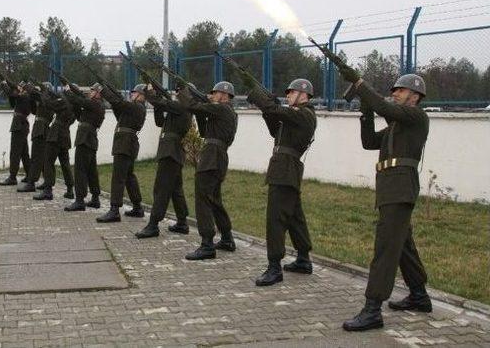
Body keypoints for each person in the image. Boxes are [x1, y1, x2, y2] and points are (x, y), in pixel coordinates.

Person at [333, 68, 431, 332]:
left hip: (400, 187)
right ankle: (419, 295)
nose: (395, 93)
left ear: (415, 95)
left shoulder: (416, 116)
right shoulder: (396, 126)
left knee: (385, 248)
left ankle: (372, 308)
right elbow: (368, 142)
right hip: (390, 187)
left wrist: (360, 83)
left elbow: (383, 106)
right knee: (402, 243)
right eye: (395, 90)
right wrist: (365, 110)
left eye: (400, 90)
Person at [244, 79, 317, 286]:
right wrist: (268, 109)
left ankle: (274, 266)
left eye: (291, 92)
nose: (287, 96)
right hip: (284, 167)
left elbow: (276, 110)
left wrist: (257, 93)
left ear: (303, 94)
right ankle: (304, 259)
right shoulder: (294, 116)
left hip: (286, 168)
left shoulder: (305, 114)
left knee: (275, 218)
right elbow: (275, 129)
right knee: (294, 216)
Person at [177, 81, 237, 260]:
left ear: (225, 95)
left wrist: (184, 91)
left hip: (212, 156)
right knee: (214, 200)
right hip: (216, 156)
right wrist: (201, 108)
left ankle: (207, 244)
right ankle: (227, 238)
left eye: (215, 93)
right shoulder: (223, 112)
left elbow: (191, 105)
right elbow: (204, 132)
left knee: (203, 199)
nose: (212, 95)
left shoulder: (223, 109)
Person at [135, 83, 192, 238]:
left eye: (180, 91)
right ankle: (182, 222)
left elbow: (161, 103)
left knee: (161, 188)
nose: (177, 93)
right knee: (175, 189)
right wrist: (158, 101)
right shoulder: (177, 109)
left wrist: (150, 92)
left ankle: (153, 225)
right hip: (171, 152)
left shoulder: (182, 108)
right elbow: (160, 121)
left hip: (170, 152)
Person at [96, 84, 147, 223]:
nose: (132, 94)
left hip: (125, 144)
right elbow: (119, 111)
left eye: (134, 92)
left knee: (118, 177)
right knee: (129, 176)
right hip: (126, 143)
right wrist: (114, 95)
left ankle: (114, 210)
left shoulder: (138, 106)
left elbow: (119, 102)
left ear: (141, 95)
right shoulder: (133, 108)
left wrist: (103, 90)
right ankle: (137, 207)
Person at [63, 83, 105, 211]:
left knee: (80, 170)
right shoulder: (93, 105)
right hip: (88, 138)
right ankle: (95, 198)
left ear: (98, 93)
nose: (90, 92)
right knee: (91, 170)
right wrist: (75, 103)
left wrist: (68, 92)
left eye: (93, 90)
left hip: (85, 139)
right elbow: (80, 116)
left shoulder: (96, 103)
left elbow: (79, 100)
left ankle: (80, 200)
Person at [33, 86, 76, 201]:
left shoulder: (64, 102)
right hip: (65, 135)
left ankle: (48, 190)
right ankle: (70, 189)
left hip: (56, 135)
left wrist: (45, 93)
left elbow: (49, 104)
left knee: (48, 161)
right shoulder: (74, 105)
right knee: (65, 163)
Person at [17, 82, 55, 193]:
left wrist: (28, 87)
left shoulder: (47, 99)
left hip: (41, 130)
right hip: (39, 129)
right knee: (42, 158)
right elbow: (34, 110)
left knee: (36, 157)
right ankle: (47, 182)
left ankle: (31, 183)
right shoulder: (44, 100)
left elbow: (35, 94)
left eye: (42, 89)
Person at [0, 80, 32, 186]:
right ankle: (29, 175)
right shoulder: (23, 97)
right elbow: (13, 102)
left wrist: (4, 84)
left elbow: (12, 94)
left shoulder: (25, 97)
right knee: (23, 153)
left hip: (19, 126)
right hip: (20, 125)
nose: (19, 89)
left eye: (21, 87)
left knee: (15, 152)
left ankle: (12, 177)